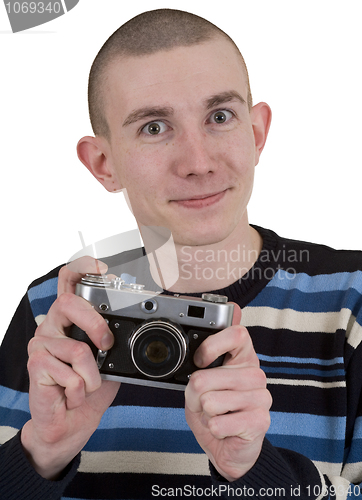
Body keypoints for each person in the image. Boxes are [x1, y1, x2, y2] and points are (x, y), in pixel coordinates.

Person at [1, 7, 362, 500]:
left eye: (219, 116)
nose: (197, 163)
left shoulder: (352, 302)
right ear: (103, 164)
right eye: (154, 127)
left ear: (256, 133)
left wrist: (255, 470)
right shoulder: (53, 312)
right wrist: (41, 452)